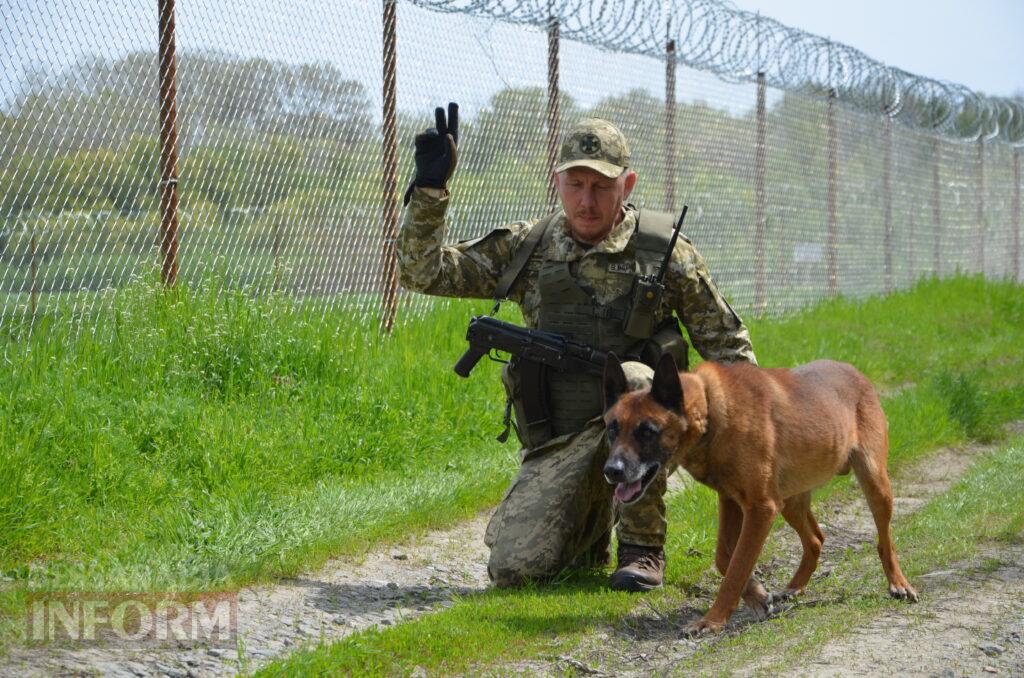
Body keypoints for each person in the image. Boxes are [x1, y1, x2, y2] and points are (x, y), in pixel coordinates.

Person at [397, 102, 757, 591]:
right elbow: (423, 273)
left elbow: (727, 347)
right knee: (516, 570)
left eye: (602, 187)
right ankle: (588, 533)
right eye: (576, 185)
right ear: (558, 183)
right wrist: (429, 192)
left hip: (648, 438)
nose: (587, 201)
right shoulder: (530, 247)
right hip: (561, 444)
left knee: (637, 381)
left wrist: (753, 443)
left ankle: (642, 548)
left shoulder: (662, 253)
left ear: (627, 185)